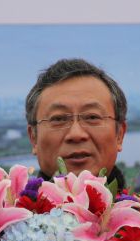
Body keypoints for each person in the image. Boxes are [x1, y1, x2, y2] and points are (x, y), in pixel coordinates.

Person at [25, 58, 127, 189]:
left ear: (119, 135)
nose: (76, 134)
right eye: (59, 119)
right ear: (34, 138)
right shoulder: (4, 203)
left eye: (92, 117)